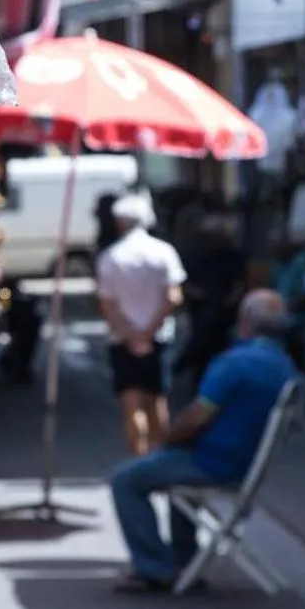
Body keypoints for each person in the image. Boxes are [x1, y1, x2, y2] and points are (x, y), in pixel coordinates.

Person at [109, 289, 298, 592]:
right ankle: (185, 560)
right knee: (168, 469)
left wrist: (168, 438)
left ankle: (154, 567)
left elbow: (197, 415)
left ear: (244, 323)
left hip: (214, 464)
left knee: (125, 479)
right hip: (243, 464)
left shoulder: (235, 363)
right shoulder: (285, 367)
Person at [95, 190, 185, 455]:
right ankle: (160, 457)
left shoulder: (110, 257)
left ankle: (139, 456)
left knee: (131, 402)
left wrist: (131, 334)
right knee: (157, 400)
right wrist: (149, 332)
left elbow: (107, 304)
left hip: (122, 339)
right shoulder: (164, 252)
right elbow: (173, 296)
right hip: (158, 337)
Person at [179, 210, 247, 392]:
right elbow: (184, 281)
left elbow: (239, 283)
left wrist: (231, 299)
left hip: (224, 312)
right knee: (201, 348)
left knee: (220, 349)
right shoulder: (194, 255)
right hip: (201, 309)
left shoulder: (233, 256)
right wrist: (195, 293)